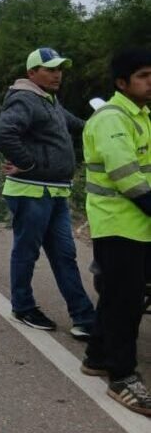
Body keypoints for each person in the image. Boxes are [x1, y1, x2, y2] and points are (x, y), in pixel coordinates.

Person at [0, 47, 95, 339]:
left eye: (59, 68)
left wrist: (108, 120)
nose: (57, 74)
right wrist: (28, 163)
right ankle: (23, 307)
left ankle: (84, 318)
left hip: (56, 192)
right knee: (27, 251)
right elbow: (2, 132)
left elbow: (80, 127)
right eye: (49, 69)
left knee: (65, 254)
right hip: (31, 191)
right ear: (32, 73)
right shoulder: (25, 99)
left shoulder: (50, 101)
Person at [80, 49, 151, 415]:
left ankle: (96, 356)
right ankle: (122, 376)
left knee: (116, 294)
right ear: (121, 83)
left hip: (136, 225)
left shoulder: (141, 115)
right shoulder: (111, 118)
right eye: (143, 75)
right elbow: (128, 178)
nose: (150, 82)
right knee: (126, 303)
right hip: (119, 223)